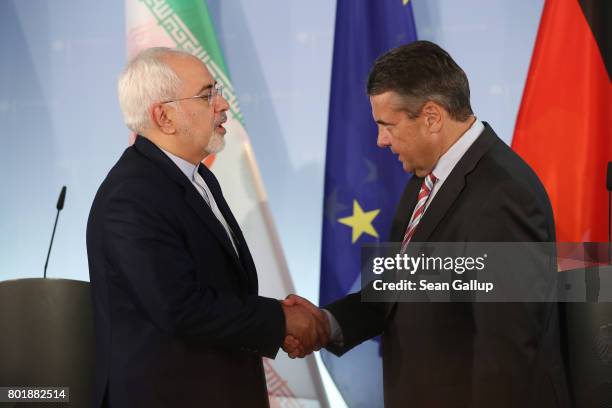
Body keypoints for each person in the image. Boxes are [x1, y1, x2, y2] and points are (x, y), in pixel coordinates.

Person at [283, 41, 569, 407]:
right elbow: (403, 288)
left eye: (387, 125)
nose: (381, 140)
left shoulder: (502, 195)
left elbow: (507, 351)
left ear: (432, 117)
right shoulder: (426, 180)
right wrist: (327, 322)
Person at [86, 47, 328, 408]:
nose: (223, 104)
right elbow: (180, 307)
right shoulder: (132, 196)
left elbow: (216, 288)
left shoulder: (197, 178)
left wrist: (278, 317)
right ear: (164, 116)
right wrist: (280, 320)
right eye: (207, 95)